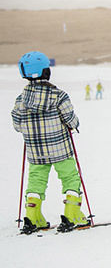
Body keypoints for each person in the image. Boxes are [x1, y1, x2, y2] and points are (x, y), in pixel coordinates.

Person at [12, 51, 89, 234]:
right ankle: (72, 215)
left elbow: (17, 124)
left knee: (36, 181)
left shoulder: (21, 100)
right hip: (60, 148)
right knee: (70, 178)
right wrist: (74, 124)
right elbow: (70, 119)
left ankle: (33, 217)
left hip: (35, 150)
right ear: (46, 72)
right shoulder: (58, 95)